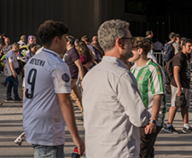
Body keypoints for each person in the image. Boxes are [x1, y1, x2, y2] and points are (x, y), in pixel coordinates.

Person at [82, 18, 149, 158]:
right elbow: (139, 118)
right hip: (119, 151)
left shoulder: (91, 74)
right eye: (130, 40)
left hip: (94, 150)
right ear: (119, 42)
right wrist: (150, 115)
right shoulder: (121, 75)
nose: (132, 45)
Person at [22, 20, 84, 157]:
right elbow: (65, 102)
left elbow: (25, 93)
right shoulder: (57, 65)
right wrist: (76, 137)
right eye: (66, 38)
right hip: (48, 129)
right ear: (56, 40)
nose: (67, 42)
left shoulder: (32, 61)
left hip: (33, 122)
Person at [130, 36, 165, 158]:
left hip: (150, 117)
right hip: (138, 117)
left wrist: (153, 120)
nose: (129, 52)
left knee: (142, 150)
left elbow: (158, 96)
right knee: (146, 151)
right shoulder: (133, 69)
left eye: (131, 49)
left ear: (140, 51)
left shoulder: (154, 69)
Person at [163, 35, 192, 133]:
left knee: (185, 105)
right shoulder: (179, 57)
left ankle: (186, 126)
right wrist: (179, 87)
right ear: (183, 46)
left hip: (186, 84)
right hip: (178, 84)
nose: (191, 48)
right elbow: (176, 72)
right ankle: (169, 125)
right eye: (189, 46)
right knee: (175, 104)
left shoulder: (187, 56)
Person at [63, 37, 83, 114]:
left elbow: (80, 66)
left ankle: (64, 114)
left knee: (63, 95)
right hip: (69, 77)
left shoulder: (73, 52)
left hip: (71, 77)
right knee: (76, 97)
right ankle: (84, 112)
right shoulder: (68, 51)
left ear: (68, 42)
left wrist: (81, 79)